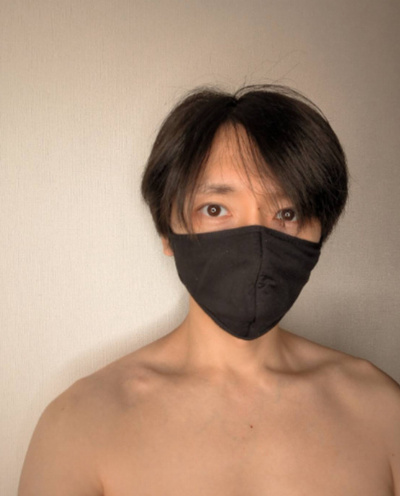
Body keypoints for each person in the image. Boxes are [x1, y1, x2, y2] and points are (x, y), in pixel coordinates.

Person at [19, 85, 400, 495]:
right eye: (215, 209)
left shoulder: (381, 410)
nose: (256, 239)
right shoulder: (80, 425)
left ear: (319, 234)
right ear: (166, 231)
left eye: (286, 213)